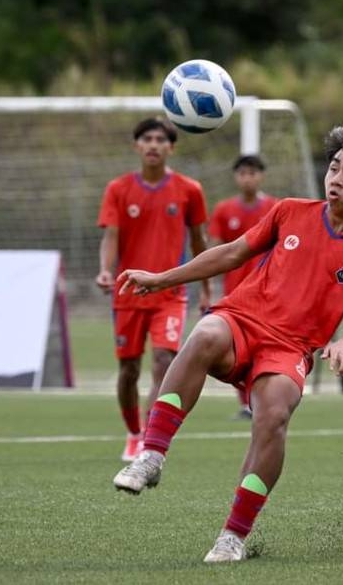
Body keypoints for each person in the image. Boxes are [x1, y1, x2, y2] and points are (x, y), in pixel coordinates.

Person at [111, 124, 343, 563]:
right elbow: (230, 253)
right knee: (205, 332)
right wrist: (160, 279)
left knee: (275, 413)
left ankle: (233, 536)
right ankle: (151, 455)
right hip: (242, 321)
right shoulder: (290, 212)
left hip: (288, 349)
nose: (336, 178)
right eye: (334, 168)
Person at [95, 117, 211, 463]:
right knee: (128, 370)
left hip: (170, 294)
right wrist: (104, 270)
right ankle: (132, 433)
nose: (153, 144)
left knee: (164, 361)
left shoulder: (190, 190)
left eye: (160, 139)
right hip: (128, 293)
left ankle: (148, 438)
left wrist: (206, 289)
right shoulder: (118, 189)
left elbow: (199, 242)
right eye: (146, 138)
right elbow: (110, 237)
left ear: (171, 147)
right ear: (136, 145)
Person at [207, 154, 278, 419]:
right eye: (243, 173)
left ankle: (262, 399)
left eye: (253, 172)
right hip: (235, 292)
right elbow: (214, 249)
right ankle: (247, 402)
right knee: (237, 350)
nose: (248, 178)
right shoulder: (224, 210)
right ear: (236, 177)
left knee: (265, 347)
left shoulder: (275, 207)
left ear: (261, 176)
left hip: (269, 290)